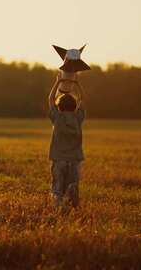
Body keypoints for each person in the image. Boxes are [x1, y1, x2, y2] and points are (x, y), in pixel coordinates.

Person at [47, 74, 86, 209]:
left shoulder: (57, 117)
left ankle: (58, 208)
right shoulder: (77, 118)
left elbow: (51, 99)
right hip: (75, 160)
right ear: (75, 106)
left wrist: (58, 82)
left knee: (57, 188)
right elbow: (82, 99)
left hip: (58, 159)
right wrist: (76, 84)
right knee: (72, 184)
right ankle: (72, 194)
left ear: (59, 106)